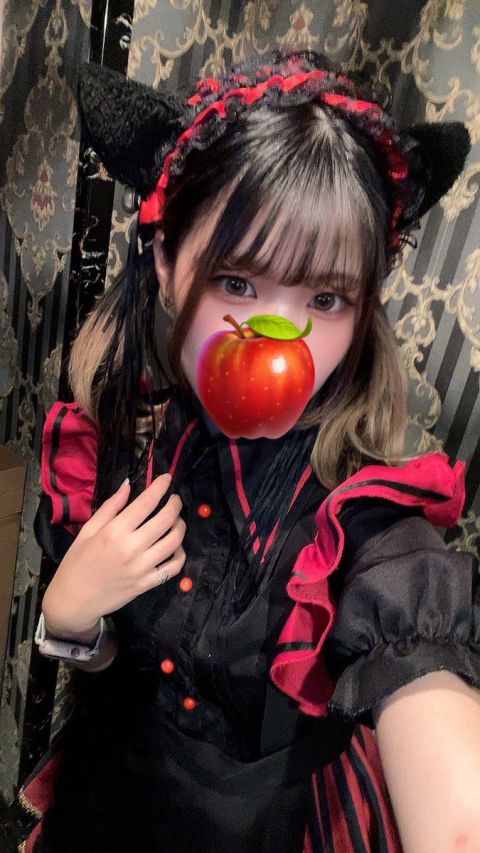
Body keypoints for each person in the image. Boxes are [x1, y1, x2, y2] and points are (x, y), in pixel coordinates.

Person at [17, 50, 480, 852]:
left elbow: (456, 803)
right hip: (109, 799)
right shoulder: (121, 445)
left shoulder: (368, 531)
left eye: (325, 298)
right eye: (238, 282)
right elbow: (117, 666)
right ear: (168, 265)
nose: (280, 334)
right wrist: (69, 617)